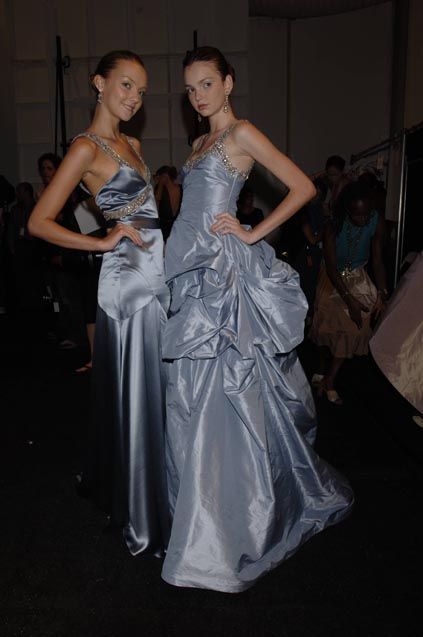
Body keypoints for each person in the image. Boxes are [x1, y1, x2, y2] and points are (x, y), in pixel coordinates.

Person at [161, 46, 354, 593]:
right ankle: (202, 509)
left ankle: (231, 523)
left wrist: (252, 232)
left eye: (206, 84)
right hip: (188, 271)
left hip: (223, 276)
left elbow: (303, 187)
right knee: (189, 395)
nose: (198, 96)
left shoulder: (241, 133)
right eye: (190, 89)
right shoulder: (197, 144)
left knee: (231, 395)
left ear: (228, 82)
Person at [28, 50, 170, 556]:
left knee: (153, 389)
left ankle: (144, 487)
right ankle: (141, 511)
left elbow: (149, 216)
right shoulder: (85, 148)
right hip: (128, 282)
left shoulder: (134, 143)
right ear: (98, 83)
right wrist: (100, 242)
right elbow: (39, 222)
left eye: (141, 91)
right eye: (126, 84)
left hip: (155, 275)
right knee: (139, 391)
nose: (134, 98)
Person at [309, 181, 387, 405]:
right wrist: (349, 301)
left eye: (367, 213)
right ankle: (322, 367)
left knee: (355, 329)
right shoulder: (332, 226)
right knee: (327, 329)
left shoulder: (376, 220)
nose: (363, 219)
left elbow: (378, 259)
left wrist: (382, 292)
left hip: (357, 276)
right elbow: (332, 269)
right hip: (331, 277)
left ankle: (329, 380)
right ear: (346, 210)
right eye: (357, 215)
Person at [153, 165, 182, 241]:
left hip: (177, 223)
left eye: (159, 178)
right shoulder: (160, 188)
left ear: (165, 176)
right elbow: (156, 201)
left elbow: (157, 200)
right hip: (165, 224)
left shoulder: (180, 188)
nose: (158, 180)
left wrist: (160, 184)